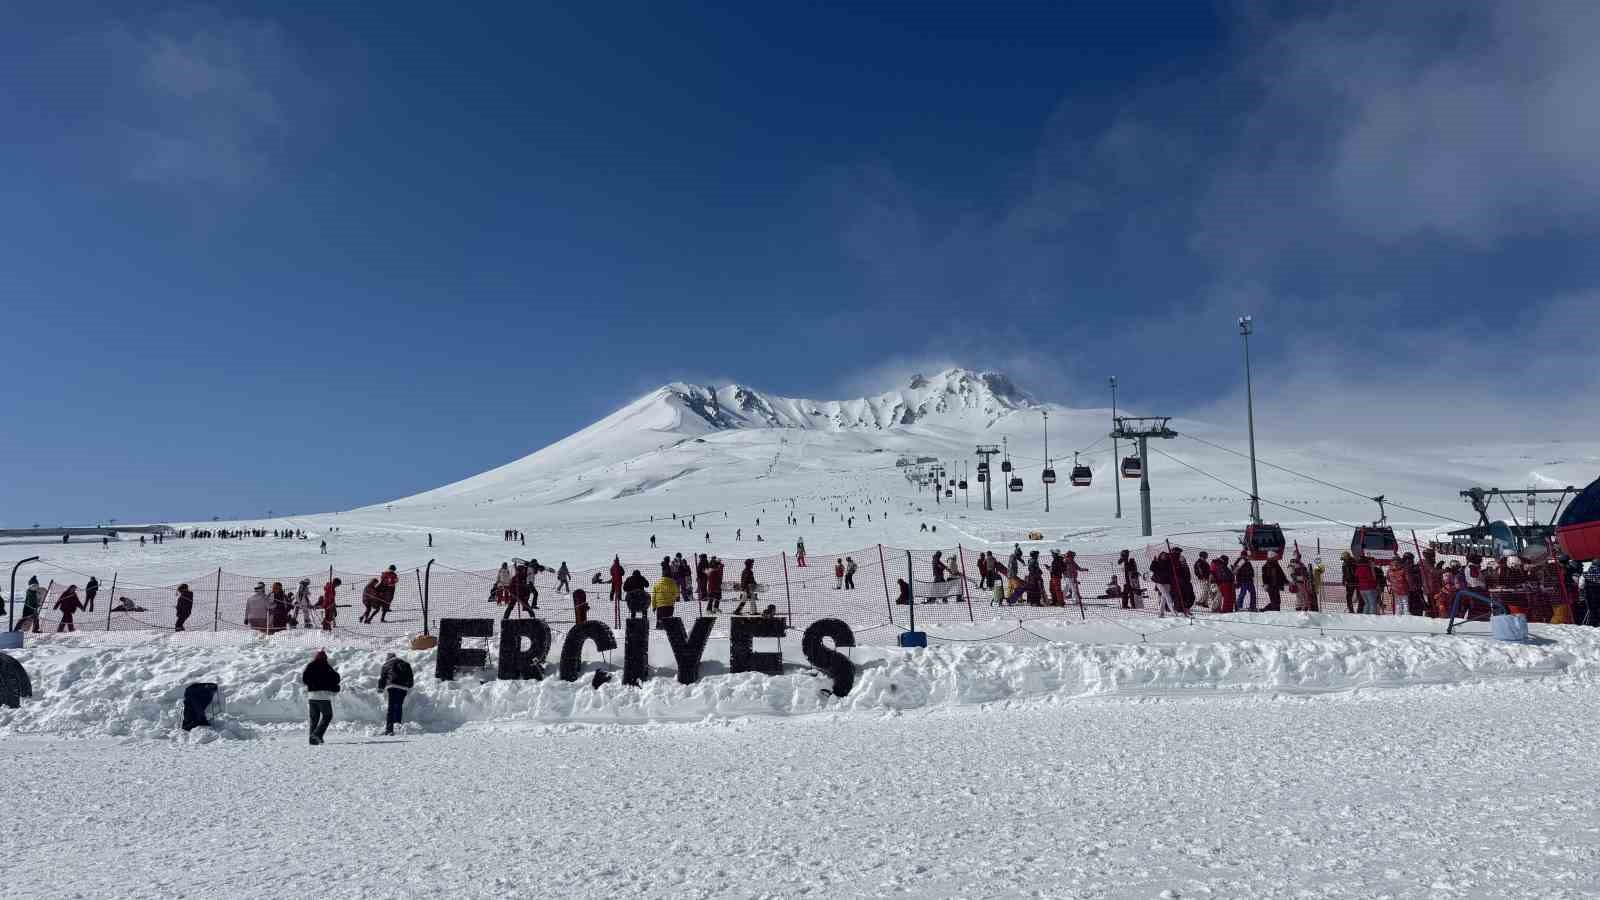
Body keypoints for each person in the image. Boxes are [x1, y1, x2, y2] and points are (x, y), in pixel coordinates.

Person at [301, 650, 341, 745]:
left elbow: (305, 679)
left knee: (314, 718)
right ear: (325, 658)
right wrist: (331, 686)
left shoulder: (310, 666)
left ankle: (312, 740)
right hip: (323, 697)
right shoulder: (326, 667)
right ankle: (317, 734)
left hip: (311, 696)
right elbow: (336, 678)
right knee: (327, 716)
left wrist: (313, 684)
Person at [377, 652, 414, 736]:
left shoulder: (386, 664)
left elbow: (383, 677)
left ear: (388, 658)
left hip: (392, 686)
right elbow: (410, 675)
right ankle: (397, 726)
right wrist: (409, 685)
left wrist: (380, 688)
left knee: (391, 708)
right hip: (403, 687)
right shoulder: (405, 663)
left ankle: (389, 729)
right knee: (399, 706)